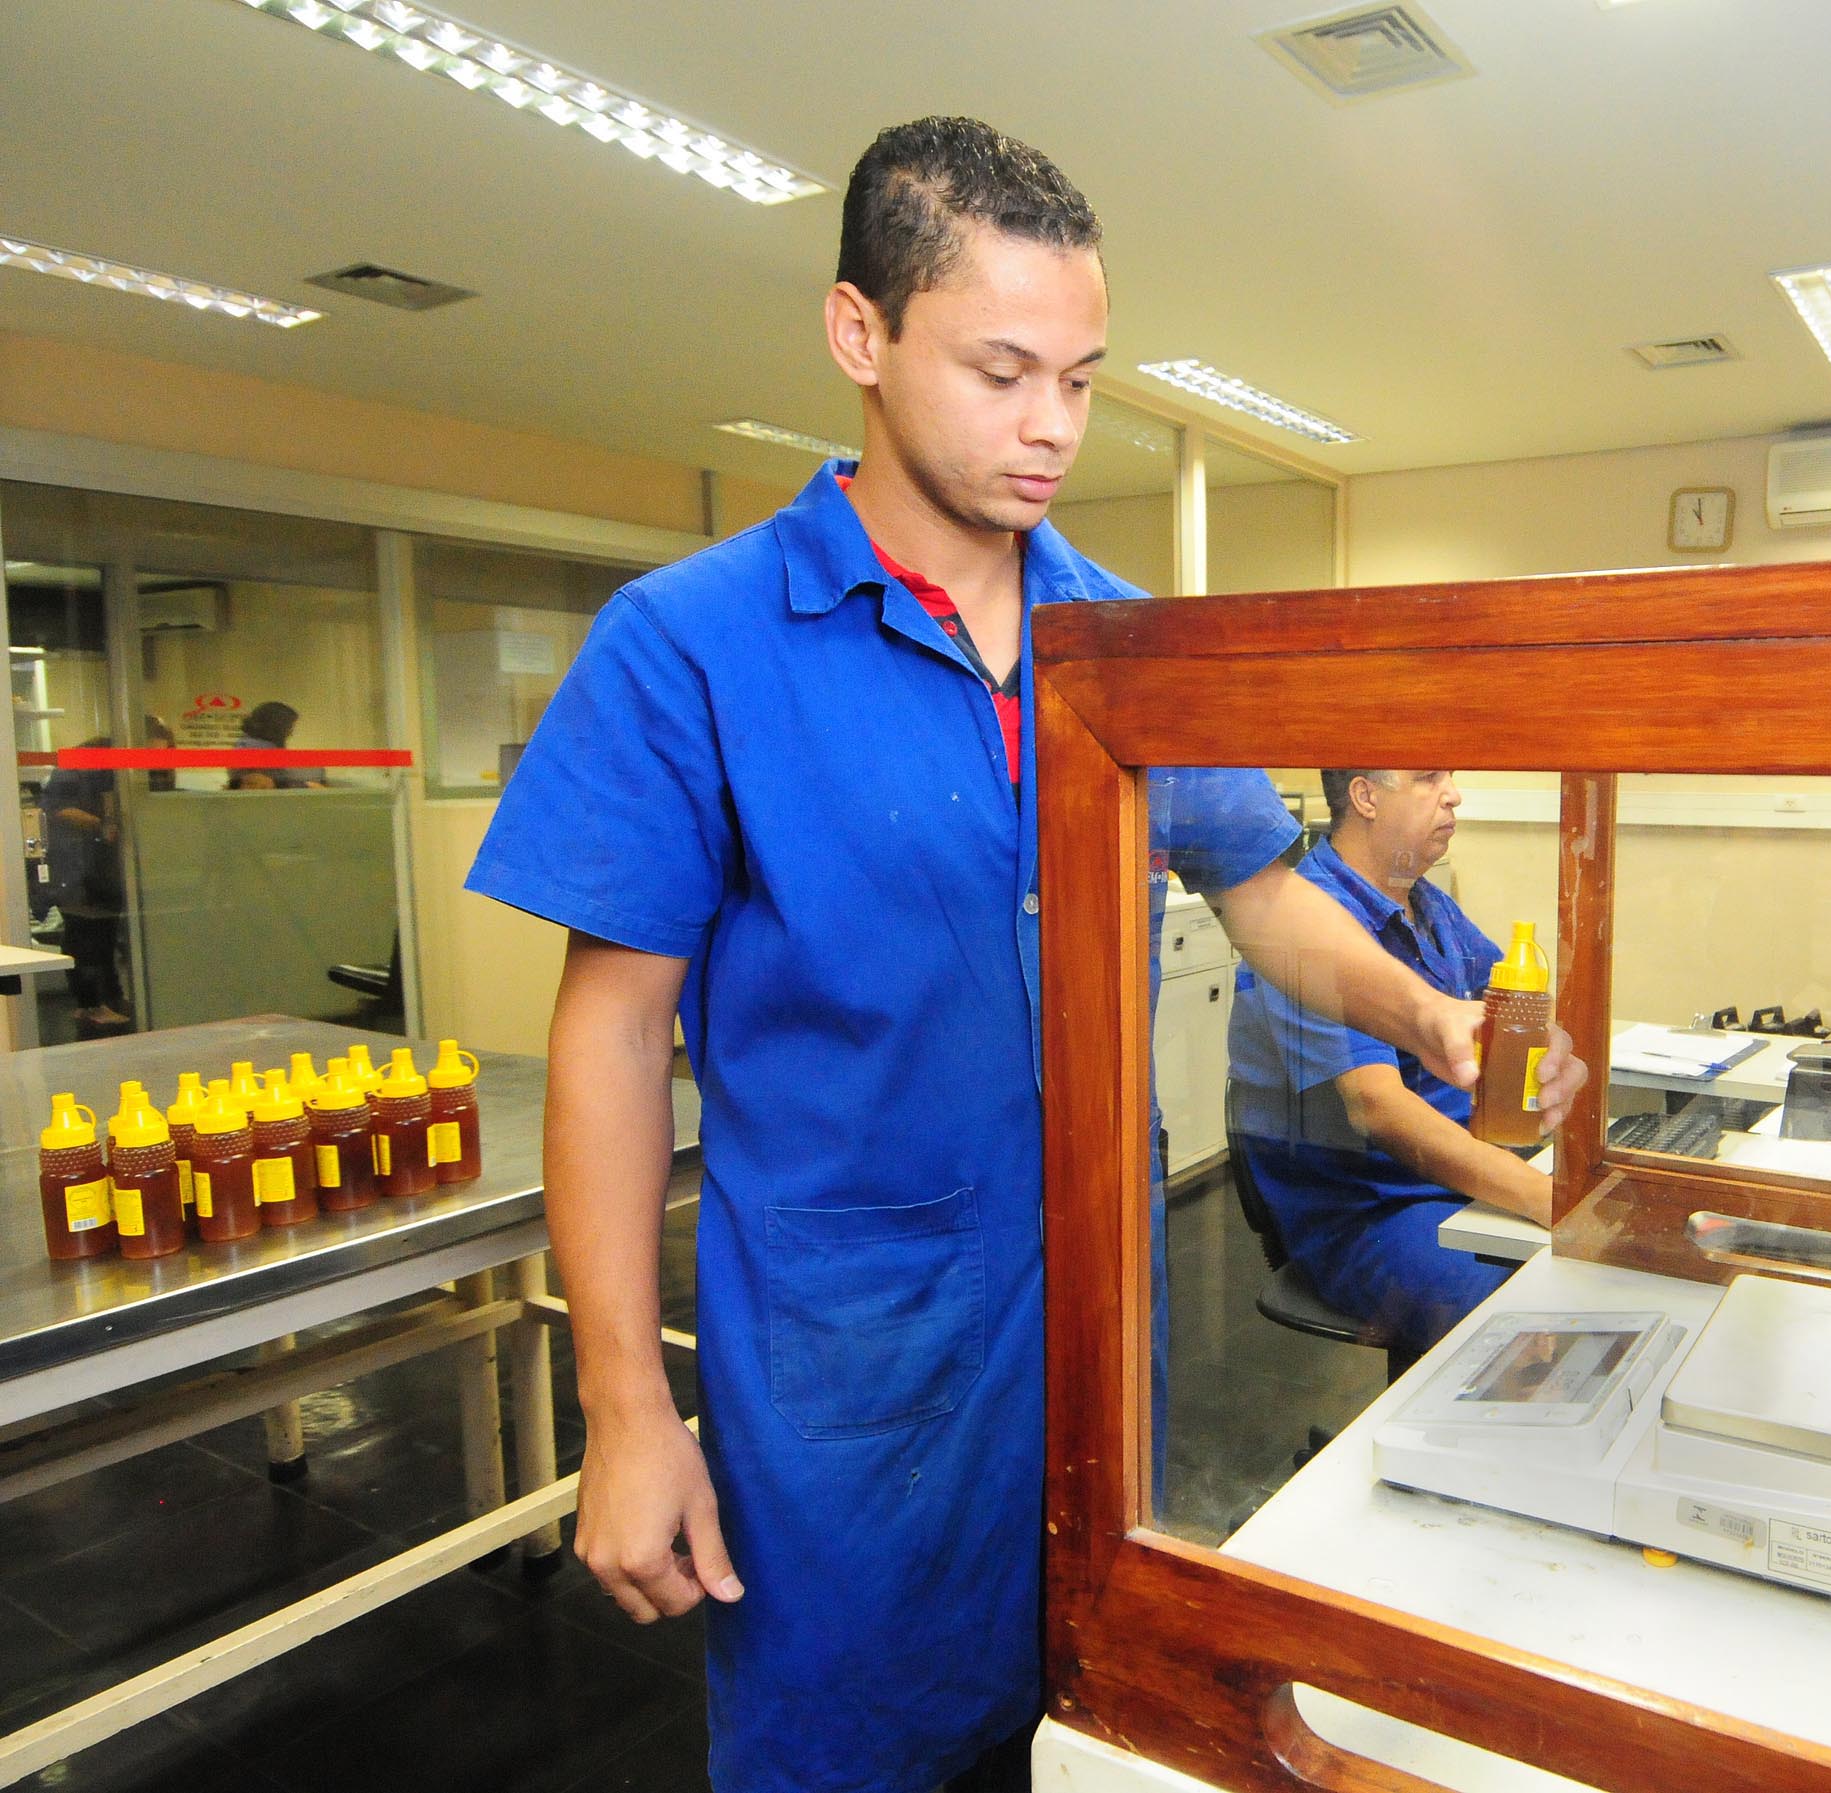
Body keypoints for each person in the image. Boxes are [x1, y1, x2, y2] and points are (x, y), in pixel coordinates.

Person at [466, 119, 1581, 1793]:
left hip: (1091, 1328)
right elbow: (613, 1042)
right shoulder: (689, 647)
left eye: (1081, 376)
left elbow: (1267, 886)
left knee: (1078, 1734)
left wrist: (1429, 1007)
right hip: (851, 1353)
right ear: (862, 334)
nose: (1053, 426)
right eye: (1002, 370)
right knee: (846, 1741)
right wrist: (625, 1408)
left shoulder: (1115, 646)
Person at [1228, 769, 1553, 1357]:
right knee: (1528, 1328)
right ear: (1365, 796)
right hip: (1370, 1211)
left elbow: (1518, 1020)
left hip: (1456, 1175)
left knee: (1578, 1281)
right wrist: (1545, 1197)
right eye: (1429, 778)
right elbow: (1378, 1108)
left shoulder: (1431, 909)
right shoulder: (1304, 927)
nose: (1453, 794)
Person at [39, 716, 172, 1029]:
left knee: (106, 933)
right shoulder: (83, 765)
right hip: (79, 866)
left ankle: (108, 998)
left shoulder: (114, 767)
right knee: (87, 935)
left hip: (105, 867)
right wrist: (104, 825)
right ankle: (91, 1002)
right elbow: (58, 810)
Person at [232, 700, 324, 789]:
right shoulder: (261, 748)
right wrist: (307, 786)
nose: (290, 733)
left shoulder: (245, 743)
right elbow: (276, 782)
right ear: (278, 726)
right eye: (289, 727)